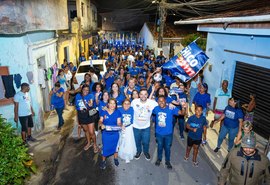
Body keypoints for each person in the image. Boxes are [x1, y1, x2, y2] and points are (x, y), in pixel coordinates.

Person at [153, 95, 186, 169]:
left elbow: (182, 113)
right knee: (160, 146)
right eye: (159, 101)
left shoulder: (171, 108)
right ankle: (159, 159)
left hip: (168, 134)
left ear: (166, 101)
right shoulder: (156, 109)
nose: (161, 102)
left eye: (163, 101)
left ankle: (167, 161)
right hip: (159, 133)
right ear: (157, 102)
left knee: (167, 148)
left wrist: (183, 107)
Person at [131, 88, 158, 161]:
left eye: (145, 94)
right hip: (136, 126)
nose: (143, 96)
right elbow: (129, 111)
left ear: (147, 95)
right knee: (137, 141)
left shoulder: (152, 103)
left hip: (146, 127)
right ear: (139, 95)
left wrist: (171, 104)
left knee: (146, 142)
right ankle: (139, 151)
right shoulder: (134, 102)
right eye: (141, 94)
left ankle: (146, 152)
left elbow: (162, 105)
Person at [74, 84, 99, 153]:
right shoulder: (78, 96)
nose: (86, 91)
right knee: (86, 130)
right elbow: (76, 108)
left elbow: (91, 100)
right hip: (81, 115)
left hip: (89, 114)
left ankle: (94, 144)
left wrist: (90, 103)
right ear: (82, 90)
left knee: (91, 131)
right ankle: (88, 143)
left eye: (87, 90)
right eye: (84, 90)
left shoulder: (90, 95)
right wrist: (77, 119)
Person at [99, 98, 122, 169]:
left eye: (114, 103)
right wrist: (101, 124)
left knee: (116, 147)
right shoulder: (104, 112)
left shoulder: (118, 112)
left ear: (116, 105)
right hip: (106, 133)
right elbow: (100, 121)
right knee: (105, 147)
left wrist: (121, 125)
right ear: (108, 104)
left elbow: (119, 122)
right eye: (111, 103)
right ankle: (103, 160)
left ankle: (115, 158)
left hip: (115, 133)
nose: (112, 105)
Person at [118, 99, 137, 163]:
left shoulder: (132, 109)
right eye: (125, 103)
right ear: (122, 104)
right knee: (122, 141)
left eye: (128, 103)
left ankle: (127, 155)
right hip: (122, 127)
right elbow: (116, 118)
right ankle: (122, 152)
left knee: (129, 142)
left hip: (129, 127)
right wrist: (121, 125)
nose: (126, 105)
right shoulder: (119, 110)